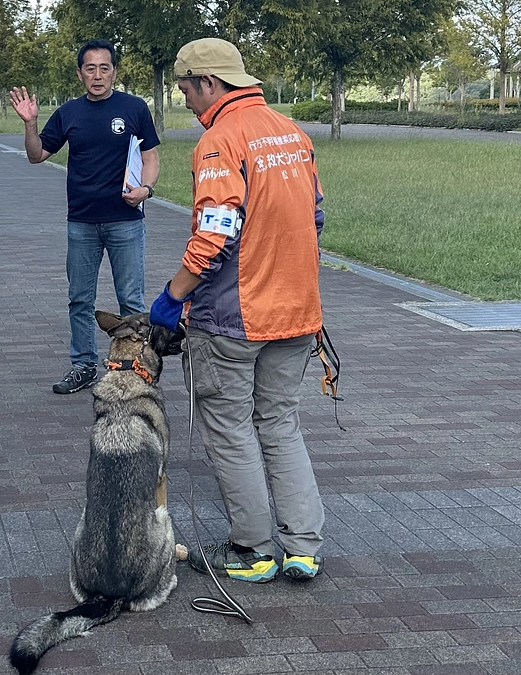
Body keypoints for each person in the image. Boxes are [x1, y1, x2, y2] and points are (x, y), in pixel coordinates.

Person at [149, 38, 326, 583]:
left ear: (208, 82)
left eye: (184, 88)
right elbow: (315, 217)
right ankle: (303, 547)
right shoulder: (291, 132)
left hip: (234, 318)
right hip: (298, 311)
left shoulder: (219, 141)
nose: (184, 101)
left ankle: (253, 551)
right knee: (279, 423)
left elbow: (214, 232)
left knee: (228, 428)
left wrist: (173, 296)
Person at [10, 39, 161, 394]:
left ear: (114, 72)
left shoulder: (134, 108)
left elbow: (151, 157)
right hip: (81, 222)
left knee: (132, 302)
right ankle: (83, 365)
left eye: (104, 68)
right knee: (80, 298)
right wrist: (30, 124)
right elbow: (37, 155)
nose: (97, 75)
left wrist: (148, 189)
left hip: (125, 221)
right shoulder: (69, 113)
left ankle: (135, 368)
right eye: (90, 68)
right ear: (80, 74)